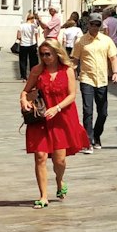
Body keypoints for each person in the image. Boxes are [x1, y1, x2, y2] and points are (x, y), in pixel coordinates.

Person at [20, 40, 90, 208]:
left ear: (57, 53)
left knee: (59, 161)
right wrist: (24, 100)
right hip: (41, 119)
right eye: (42, 54)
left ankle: (59, 180)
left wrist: (57, 108)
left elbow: (72, 95)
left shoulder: (67, 71)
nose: (45, 58)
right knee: (40, 156)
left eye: (48, 54)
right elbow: (25, 91)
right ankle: (43, 196)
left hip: (61, 118)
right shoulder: (37, 70)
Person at [71, 14, 117, 151]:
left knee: (103, 112)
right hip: (86, 79)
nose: (95, 27)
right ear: (88, 24)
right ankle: (88, 140)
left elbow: (113, 58)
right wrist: (69, 74)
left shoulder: (106, 40)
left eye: (98, 24)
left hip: (102, 80)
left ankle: (96, 135)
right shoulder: (80, 41)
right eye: (93, 24)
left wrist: (115, 73)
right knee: (88, 111)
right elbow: (74, 60)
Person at [16, 11, 42, 81]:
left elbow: (18, 36)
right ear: (32, 19)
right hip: (32, 44)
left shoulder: (21, 26)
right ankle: (32, 75)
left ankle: (23, 76)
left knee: (23, 61)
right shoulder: (34, 26)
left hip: (23, 44)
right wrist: (37, 44)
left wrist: (21, 39)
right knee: (33, 61)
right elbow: (36, 36)